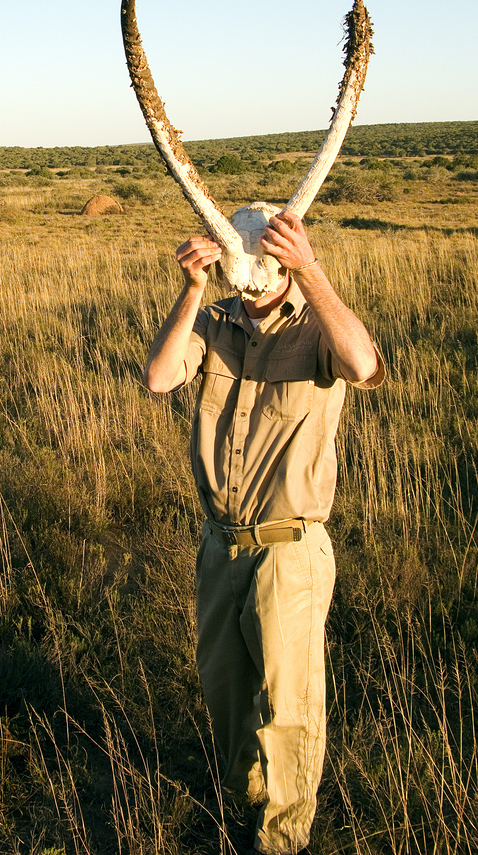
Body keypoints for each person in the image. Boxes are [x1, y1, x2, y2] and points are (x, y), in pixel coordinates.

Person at [143, 210, 384, 855]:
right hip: (219, 545)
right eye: (239, 264)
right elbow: (161, 379)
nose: (253, 284)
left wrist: (310, 269)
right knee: (227, 696)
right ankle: (239, 810)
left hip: (290, 549)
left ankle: (283, 840)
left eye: (268, 265)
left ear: (285, 259)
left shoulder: (316, 323)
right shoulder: (214, 319)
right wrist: (192, 288)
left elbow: (363, 366)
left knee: (290, 708)